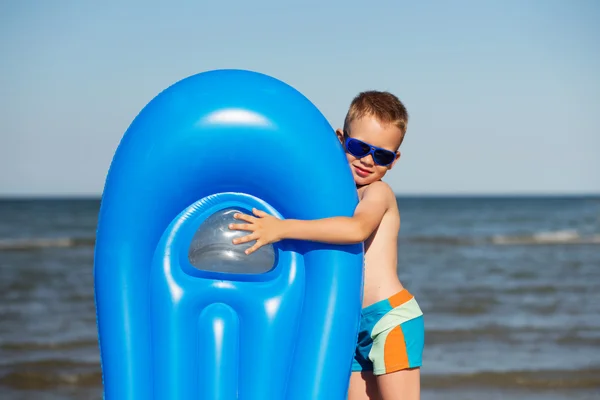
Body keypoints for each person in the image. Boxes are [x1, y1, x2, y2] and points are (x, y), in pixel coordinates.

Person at [229, 90, 424, 400]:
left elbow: (358, 229)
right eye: (359, 147)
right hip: (351, 321)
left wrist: (281, 228)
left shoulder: (378, 192)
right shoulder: (336, 197)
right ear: (340, 139)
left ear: (394, 160)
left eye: (382, 155)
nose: (368, 161)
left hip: (389, 319)